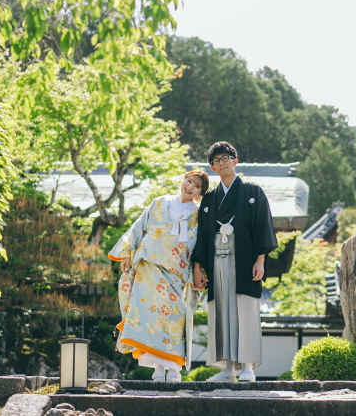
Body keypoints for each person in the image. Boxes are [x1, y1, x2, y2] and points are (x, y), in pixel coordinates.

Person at [109, 170, 210, 382]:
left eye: (197, 186)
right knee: (148, 317)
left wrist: (199, 270)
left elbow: (201, 245)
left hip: (176, 272)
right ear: (182, 180)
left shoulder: (199, 214)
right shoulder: (160, 202)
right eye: (189, 181)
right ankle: (158, 369)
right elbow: (139, 228)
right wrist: (127, 252)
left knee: (174, 317)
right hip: (149, 268)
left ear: (201, 193)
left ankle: (174, 368)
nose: (190, 187)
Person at [191, 141, 278, 382]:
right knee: (222, 313)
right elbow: (201, 236)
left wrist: (260, 260)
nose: (222, 162)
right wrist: (198, 268)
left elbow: (263, 227)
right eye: (217, 160)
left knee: (246, 311)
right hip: (217, 261)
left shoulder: (253, 192)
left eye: (226, 158)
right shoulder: (209, 200)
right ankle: (227, 368)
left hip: (245, 260)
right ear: (212, 167)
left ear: (235, 160)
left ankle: (248, 366)